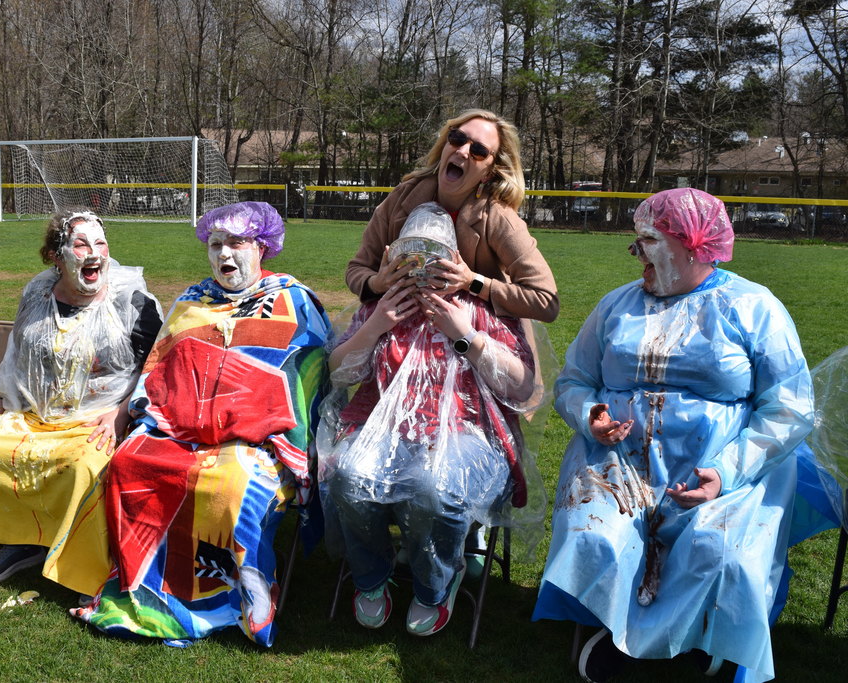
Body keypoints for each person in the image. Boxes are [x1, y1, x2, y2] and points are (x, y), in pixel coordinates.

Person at [532, 188, 814, 683]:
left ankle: (699, 633)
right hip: (619, 462)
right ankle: (620, 629)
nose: (633, 251)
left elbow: (789, 406)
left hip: (721, 466)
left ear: (694, 245)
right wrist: (591, 413)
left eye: (648, 240)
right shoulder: (617, 305)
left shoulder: (754, 308)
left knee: (715, 549)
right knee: (595, 534)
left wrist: (726, 472)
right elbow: (574, 380)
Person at [73, 201, 331, 647]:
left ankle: (238, 598)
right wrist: (156, 414)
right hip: (179, 429)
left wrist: (245, 420)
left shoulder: (294, 301)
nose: (224, 253)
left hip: (256, 440)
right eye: (215, 244)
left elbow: (300, 378)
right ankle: (145, 589)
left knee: (236, 487)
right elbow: (158, 366)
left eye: (237, 243)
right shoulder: (192, 301)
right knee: (129, 464)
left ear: (262, 247)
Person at [319, 203, 545, 636]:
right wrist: (376, 325)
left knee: (434, 486)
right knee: (348, 476)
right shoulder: (383, 306)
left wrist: (466, 334)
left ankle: (436, 584)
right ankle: (372, 574)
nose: (422, 268)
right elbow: (340, 372)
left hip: (469, 431)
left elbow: (521, 387)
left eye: (434, 257)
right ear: (395, 258)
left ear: (454, 259)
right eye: (411, 256)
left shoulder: (482, 308)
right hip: (386, 429)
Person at [0, 210, 162, 596]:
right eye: (81, 245)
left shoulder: (130, 300)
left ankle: (85, 561)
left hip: (100, 418)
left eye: (100, 243)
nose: (93, 253)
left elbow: (155, 368)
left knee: (83, 465)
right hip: (34, 413)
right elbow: (16, 354)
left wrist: (120, 414)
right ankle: (20, 540)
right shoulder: (37, 293)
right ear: (56, 255)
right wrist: (4, 397)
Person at [345, 108, 558, 323]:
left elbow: (545, 301)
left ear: (489, 172)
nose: (463, 151)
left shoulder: (499, 218)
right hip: (397, 325)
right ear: (445, 145)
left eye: (479, 151)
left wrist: (471, 282)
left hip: (472, 332)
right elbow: (357, 268)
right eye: (458, 139)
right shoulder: (401, 197)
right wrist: (377, 283)